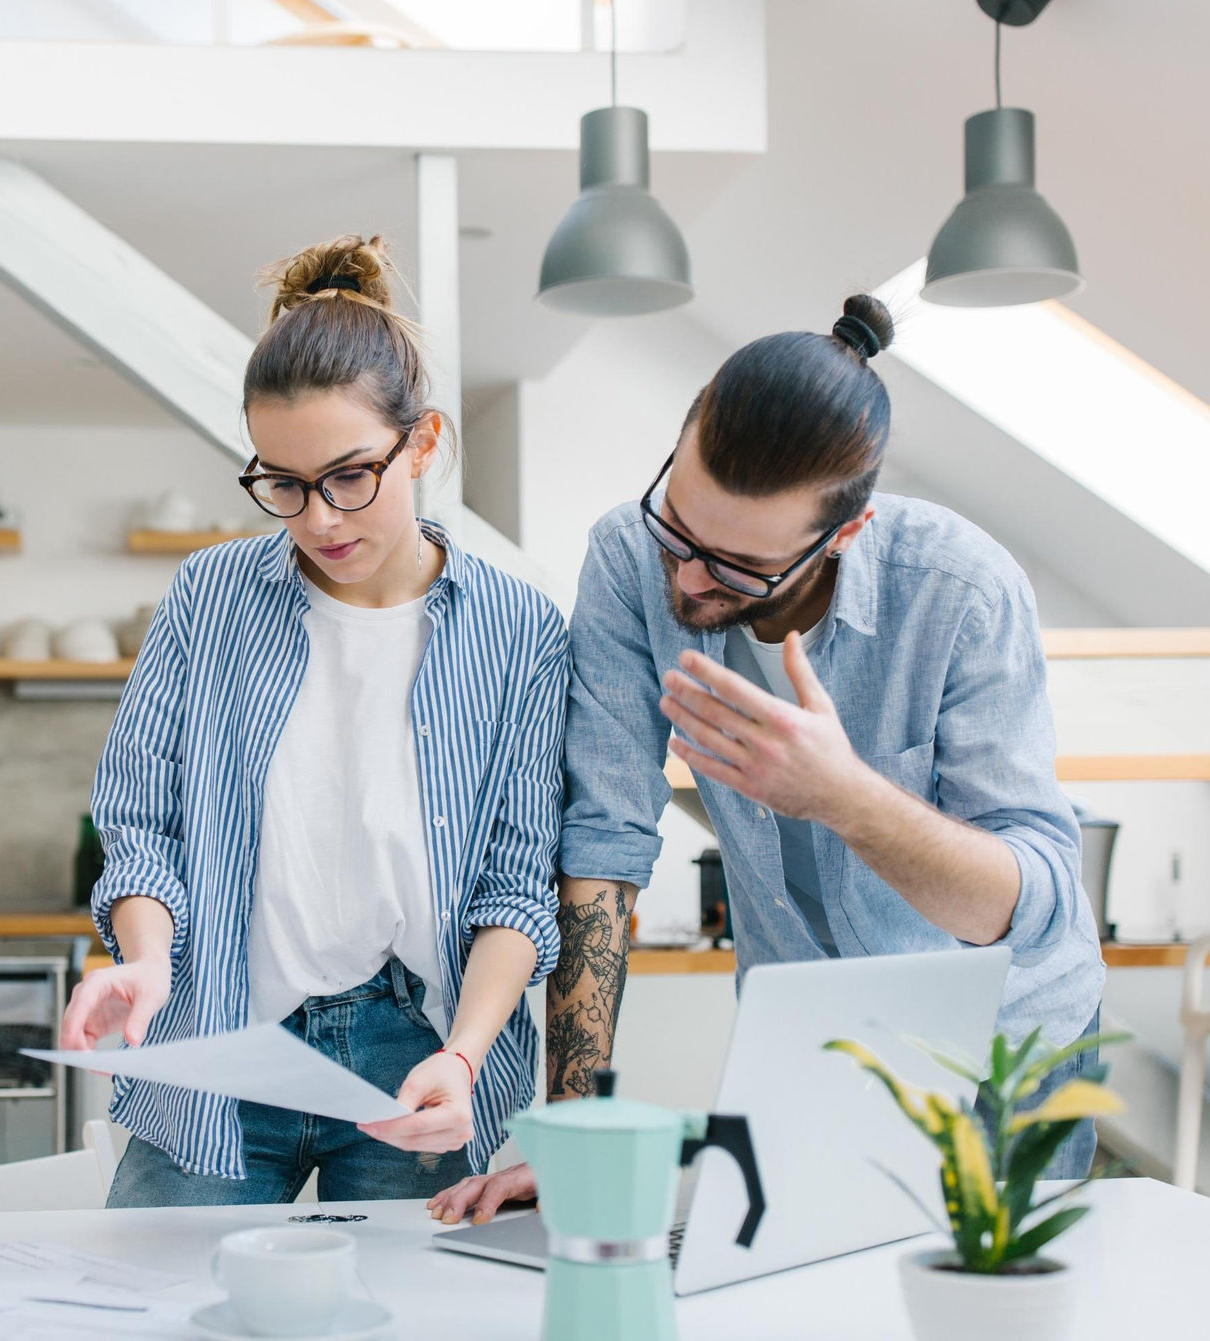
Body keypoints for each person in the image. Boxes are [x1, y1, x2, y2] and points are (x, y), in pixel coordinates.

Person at [430, 296, 1106, 1225]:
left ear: (844, 536)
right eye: (681, 525)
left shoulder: (960, 589)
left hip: (1001, 1049)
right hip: (808, 1042)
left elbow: (1028, 906)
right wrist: (577, 1124)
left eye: (739, 567)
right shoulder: (632, 563)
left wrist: (846, 798)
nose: (690, 579)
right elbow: (603, 846)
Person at [60, 235, 568, 1206]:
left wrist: (462, 1058)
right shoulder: (209, 597)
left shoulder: (517, 632)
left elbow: (515, 888)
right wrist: (147, 963)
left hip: (412, 1052)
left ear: (420, 442)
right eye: (281, 485)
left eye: (348, 476)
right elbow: (140, 823)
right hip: (214, 1036)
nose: (320, 519)